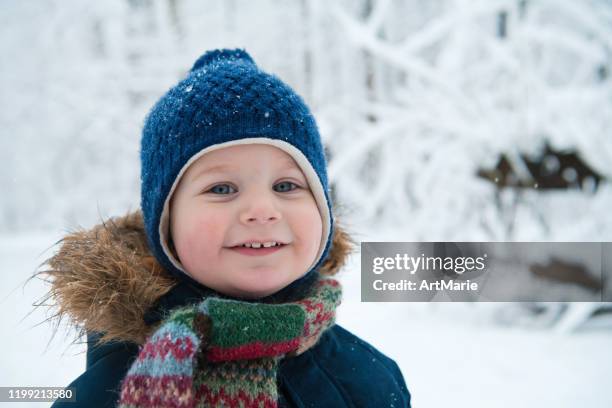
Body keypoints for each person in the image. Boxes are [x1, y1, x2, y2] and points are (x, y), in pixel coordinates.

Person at [43, 48, 411, 407]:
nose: (262, 211)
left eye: (286, 186)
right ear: (165, 225)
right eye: (222, 189)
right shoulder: (107, 393)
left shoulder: (372, 379)